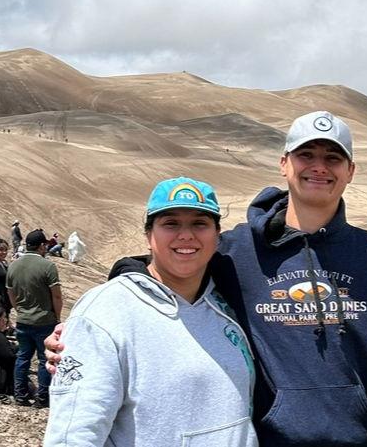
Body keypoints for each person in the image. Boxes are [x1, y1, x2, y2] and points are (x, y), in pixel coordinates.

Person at [46, 111, 367, 446]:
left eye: (333, 158)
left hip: (364, 438)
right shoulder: (237, 250)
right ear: (284, 164)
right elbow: (170, 263)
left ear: (350, 170)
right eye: (306, 155)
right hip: (272, 439)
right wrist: (85, 331)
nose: (319, 167)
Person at [43, 177, 257, 447]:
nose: (186, 235)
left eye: (199, 223)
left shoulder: (230, 301)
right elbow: (72, 435)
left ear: (217, 235)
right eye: (171, 223)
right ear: (148, 236)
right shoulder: (106, 311)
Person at [6, 229, 63, 408]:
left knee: (22, 358)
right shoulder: (48, 266)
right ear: (41, 246)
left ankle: (20, 395)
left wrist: (19, 310)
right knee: (44, 359)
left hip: (23, 320)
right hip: (44, 320)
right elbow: (57, 296)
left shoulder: (14, 265)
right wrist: (57, 317)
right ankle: (42, 398)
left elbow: (11, 293)